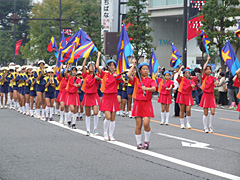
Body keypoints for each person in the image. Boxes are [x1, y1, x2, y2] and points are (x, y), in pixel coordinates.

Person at [127, 60, 157, 150]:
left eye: (147, 69)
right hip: (138, 103)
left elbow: (154, 88)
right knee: (138, 125)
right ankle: (139, 143)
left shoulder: (151, 80)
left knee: (146, 123)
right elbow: (128, 75)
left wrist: (146, 88)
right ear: (140, 71)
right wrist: (133, 65)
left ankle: (147, 141)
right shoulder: (136, 80)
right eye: (143, 69)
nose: (145, 71)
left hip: (147, 103)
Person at [98, 59, 122, 141]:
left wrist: (118, 77)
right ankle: (105, 133)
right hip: (106, 96)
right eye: (110, 65)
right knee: (107, 117)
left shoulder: (116, 75)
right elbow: (97, 67)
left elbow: (121, 80)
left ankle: (111, 135)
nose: (112, 67)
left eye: (113, 65)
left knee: (113, 117)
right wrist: (98, 56)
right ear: (107, 66)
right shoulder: (104, 74)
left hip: (114, 97)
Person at [81, 52, 101, 135]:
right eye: (90, 66)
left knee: (95, 112)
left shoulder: (97, 76)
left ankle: (95, 128)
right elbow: (82, 67)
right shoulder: (86, 75)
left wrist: (98, 56)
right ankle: (88, 130)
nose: (91, 68)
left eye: (92, 66)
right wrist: (85, 57)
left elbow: (97, 67)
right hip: (87, 95)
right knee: (88, 113)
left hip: (94, 95)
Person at [199, 56, 219, 133]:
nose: (208, 70)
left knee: (213, 112)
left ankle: (210, 126)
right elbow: (203, 69)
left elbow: (217, 83)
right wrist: (207, 60)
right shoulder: (204, 77)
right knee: (205, 112)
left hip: (211, 95)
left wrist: (216, 83)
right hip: (205, 95)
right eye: (207, 69)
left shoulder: (213, 77)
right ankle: (205, 127)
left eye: (209, 69)